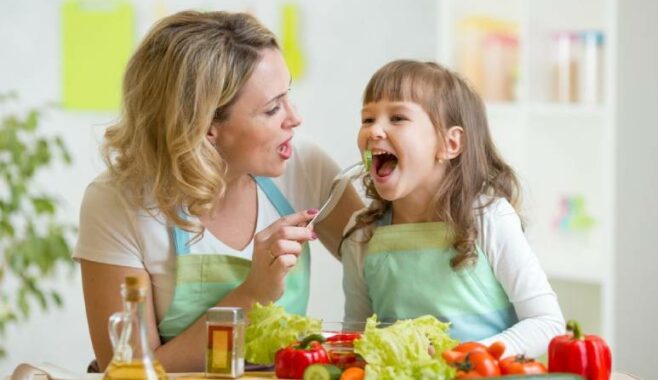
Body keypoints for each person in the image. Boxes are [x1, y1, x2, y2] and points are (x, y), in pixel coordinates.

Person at [73, 11, 362, 372]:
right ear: (207, 127)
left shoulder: (305, 168)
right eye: (272, 109)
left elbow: (384, 266)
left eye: (287, 95)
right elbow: (130, 370)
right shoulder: (118, 203)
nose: (295, 117)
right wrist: (254, 293)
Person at [341, 60, 565, 358]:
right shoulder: (362, 233)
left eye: (397, 117)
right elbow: (357, 337)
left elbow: (547, 324)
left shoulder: (489, 218)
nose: (374, 131)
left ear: (449, 143)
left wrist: (465, 358)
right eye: (367, 119)